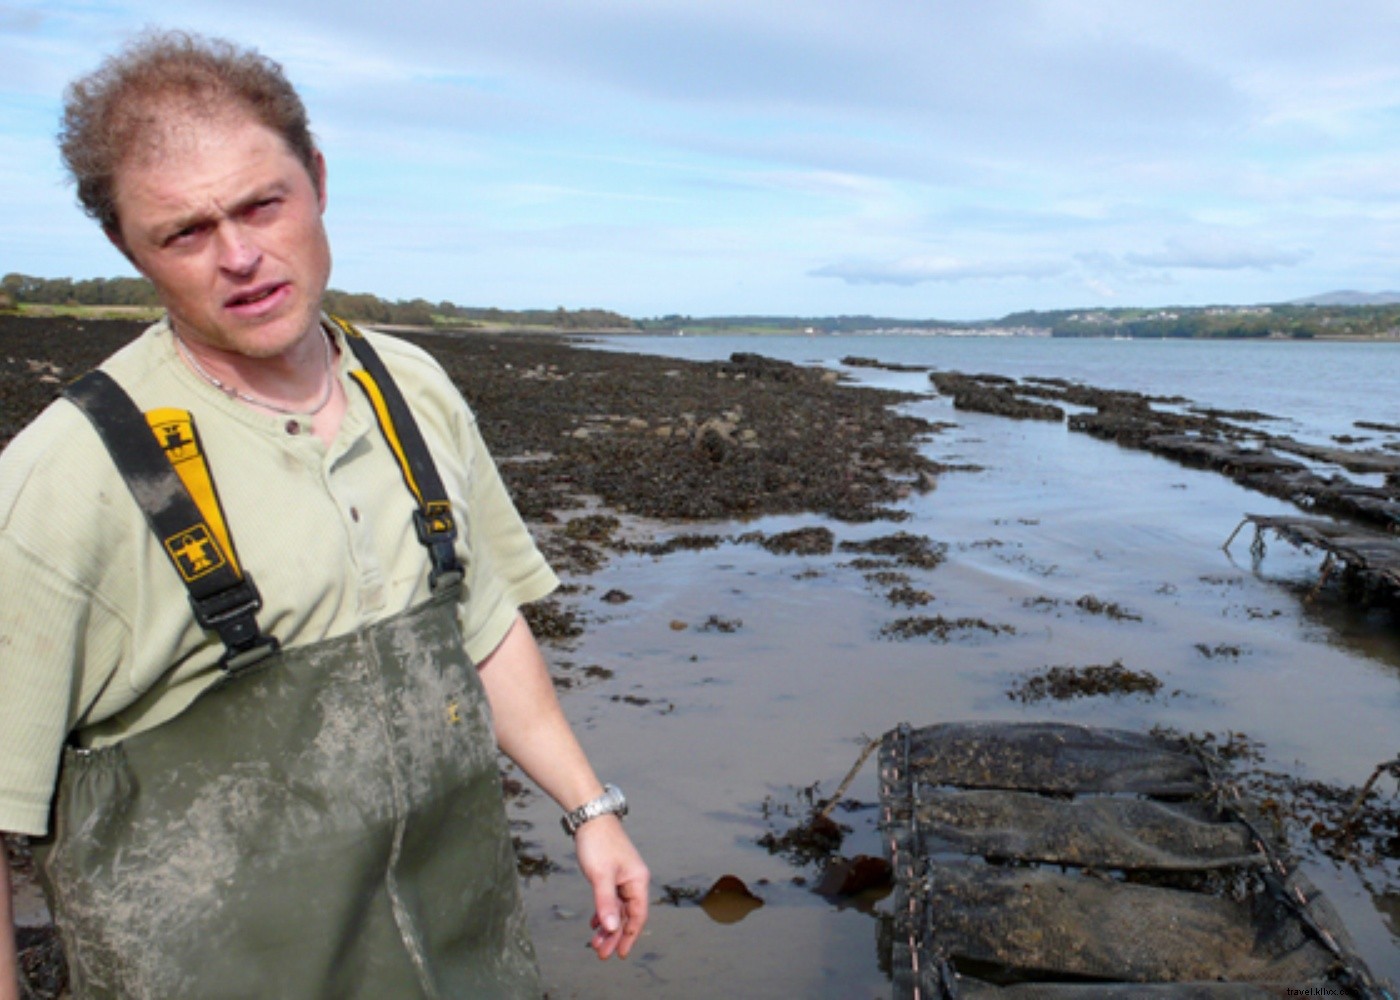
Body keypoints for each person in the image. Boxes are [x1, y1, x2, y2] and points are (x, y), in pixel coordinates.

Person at [0, 29, 648, 999]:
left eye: (264, 202)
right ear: (126, 247)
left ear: (317, 179)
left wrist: (589, 806)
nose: (240, 256)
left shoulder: (412, 389)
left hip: (461, 963)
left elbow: (483, 624)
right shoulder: (66, 475)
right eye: (184, 232)